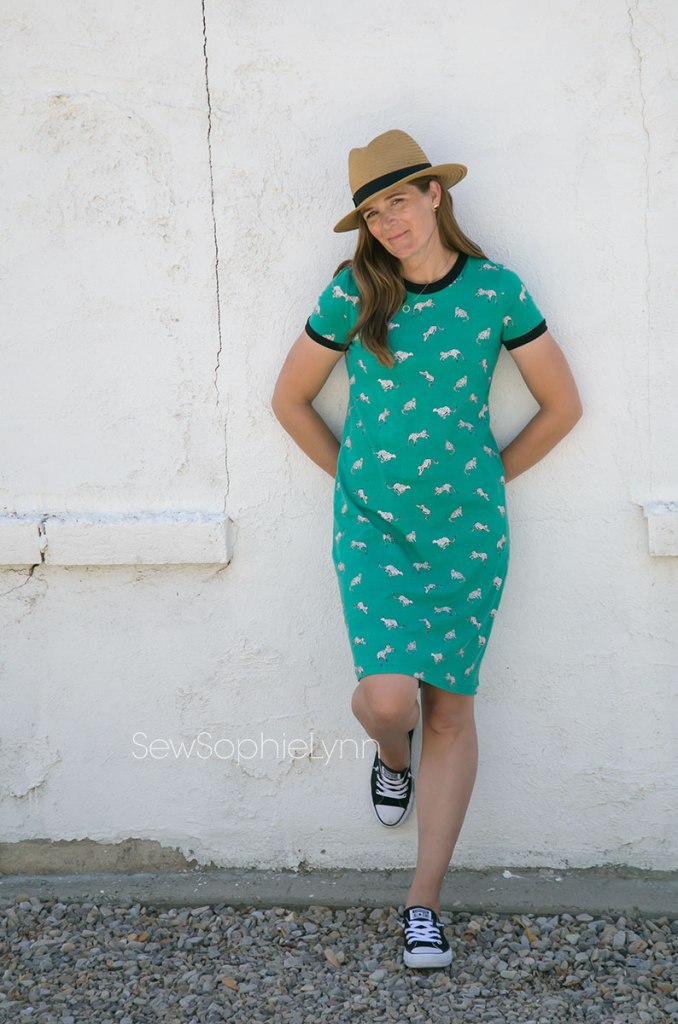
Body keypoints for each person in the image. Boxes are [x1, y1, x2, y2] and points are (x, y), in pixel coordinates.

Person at [271, 129, 582, 969]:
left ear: (435, 194)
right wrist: (355, 481)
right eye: (373, 213)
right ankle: (388, 756)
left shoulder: (496, 291)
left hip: (468, 534)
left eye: (398, 201)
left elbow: (562, 406)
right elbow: (290, 399)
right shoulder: (354, 292)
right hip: (372, 529)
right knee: (389, 702)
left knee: (449, 710)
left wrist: (488, 479)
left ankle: (423, 903)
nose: (388, 224)